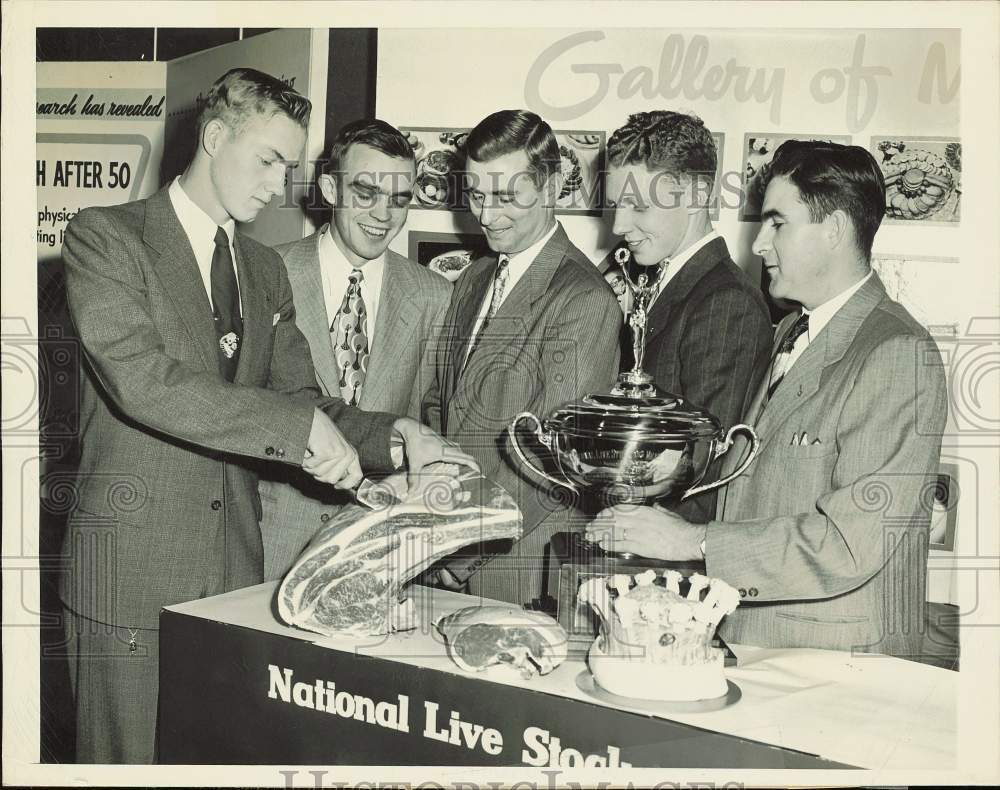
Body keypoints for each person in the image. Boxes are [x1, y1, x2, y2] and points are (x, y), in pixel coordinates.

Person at [58, 68, 473, 763]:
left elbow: (302, 398)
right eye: (269, 160)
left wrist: (394, 435)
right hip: (129, 579)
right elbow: (144, 382)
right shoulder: (107, 238)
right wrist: (292, 428)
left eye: (289, 165)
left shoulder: (260, 267)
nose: (278, 184)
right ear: (215, 138)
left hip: (234, 582)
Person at [587, 140, 948, 660]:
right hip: (763, 641)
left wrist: (694, 542)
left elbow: (852, 543)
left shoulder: (897, 352)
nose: (758, 244)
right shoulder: (790, 333)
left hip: (837, 661)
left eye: (778, 223)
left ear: (835, 230)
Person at [422, 109, 622, 608]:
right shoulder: (472, 280)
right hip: (441, 546)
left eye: (507, 196)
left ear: (552, 187)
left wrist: (460, 555)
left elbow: (552, 461)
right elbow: (439, 406)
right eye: (475, 195)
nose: (487, 216)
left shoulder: (583, 299)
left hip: (515, 564)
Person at [259, 119, 452, 581]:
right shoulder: (264, 272)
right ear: (329, 188)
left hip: (383, 548)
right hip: (270, 544)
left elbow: (434, 417)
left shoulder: (434, 295)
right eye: (365, 192)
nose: (383, 214)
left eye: (399, 199)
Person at [605, 111, 772, 524]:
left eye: (637, 206)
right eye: (615, 205)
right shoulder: (656, 283)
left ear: (697, 196)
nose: (619, 225)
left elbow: (705, 467)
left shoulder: (725, 301)